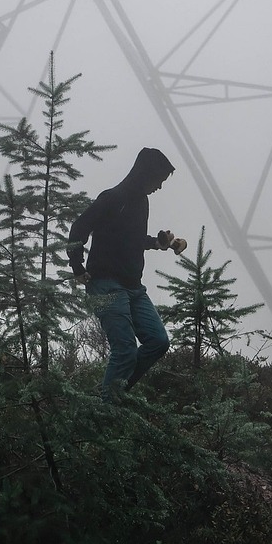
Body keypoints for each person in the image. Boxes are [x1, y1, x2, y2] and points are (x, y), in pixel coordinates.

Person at [68, 147, 180, 399]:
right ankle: (105, 412)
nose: (160, 187)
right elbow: (78, 228)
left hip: (134, 287)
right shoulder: (111, 198)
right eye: (159, 180)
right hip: (105, 284)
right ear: (145, 174)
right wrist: (77, 268)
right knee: (126, 350)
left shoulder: (142, 202)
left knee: (158, 342)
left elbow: (134, 238)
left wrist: (158, 244)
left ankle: (113, 396)